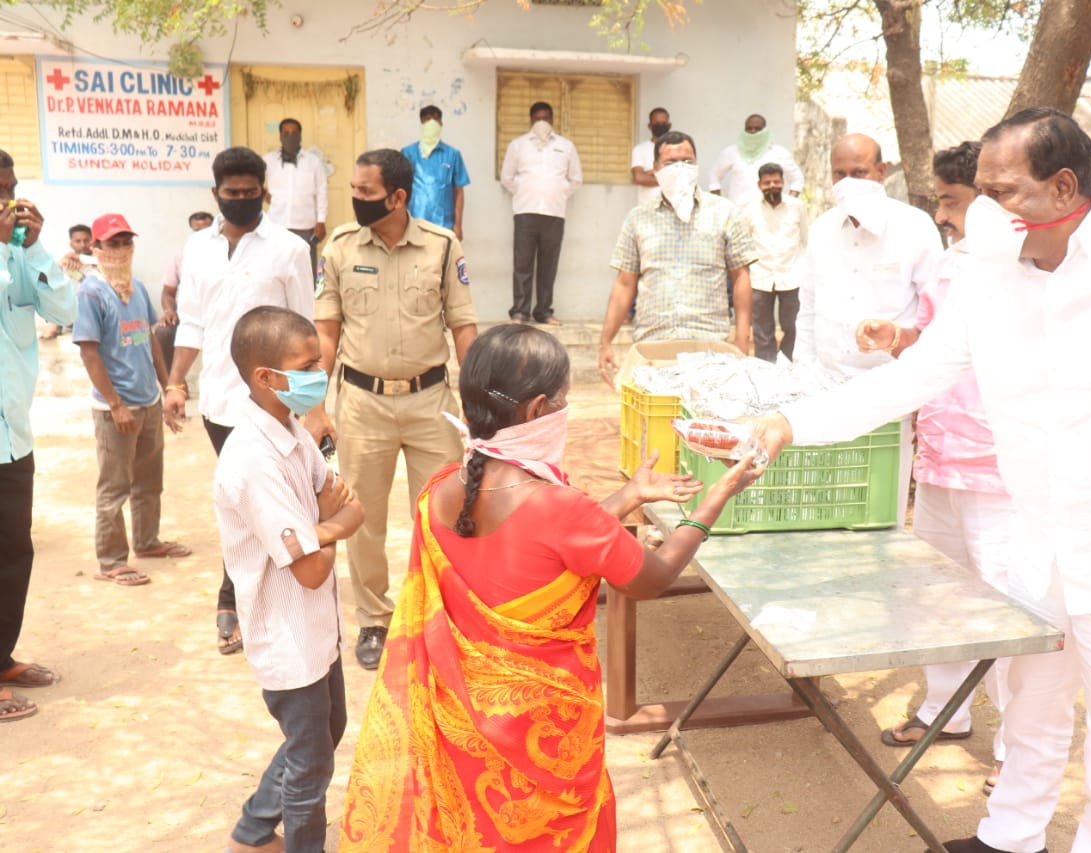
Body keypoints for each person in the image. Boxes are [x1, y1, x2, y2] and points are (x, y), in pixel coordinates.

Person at [751, 108, 1091, 853]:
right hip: (1038, 537)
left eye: (1002, 192)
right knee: (1029, 704)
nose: (984, 210)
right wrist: (791, 424)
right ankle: (1010, 838)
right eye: (981, 191)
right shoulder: (986, 276)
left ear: (1063, 186)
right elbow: (918, 375)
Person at [338, 323, 761, 851]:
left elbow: (541, 552)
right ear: (538, 410)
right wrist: (713, 501)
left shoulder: (440, 491)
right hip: (546, 742)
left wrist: (627, 496)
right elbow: (650, 579)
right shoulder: (561, 509)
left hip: (466, 735)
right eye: (563, 401)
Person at [856, 142, 1013, 797]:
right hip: (942, 455)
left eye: (951, 200)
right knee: (935, 593)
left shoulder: (1021, 265)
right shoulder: (952, 263)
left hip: (1000, 470)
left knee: (1010, 611)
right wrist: (896, 339)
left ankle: (1017, 748)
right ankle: (943, 708)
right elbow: (933, 340)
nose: (942, 213)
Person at [315, 148, 478, 671]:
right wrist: (314, 406)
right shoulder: (338, 248)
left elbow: (463, 327)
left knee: (444, 516)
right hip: (361, 403)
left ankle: (438, 614)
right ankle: (374, 619)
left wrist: (477, 404)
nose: (356, 199)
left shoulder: (442, 247)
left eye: (365, 191)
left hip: (431, 401)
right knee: (362, 517)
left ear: (398, 196)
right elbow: (326, 331)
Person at [215, 305, 364, 853]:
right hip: (285, 634)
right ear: (265, 377)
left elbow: (355, 508)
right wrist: (330, 526)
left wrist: (321, 526)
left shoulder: (293, 431)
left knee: (326, 731)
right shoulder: (253, 459)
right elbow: (312, 569)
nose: (317, 376)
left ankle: (253, 831)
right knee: (310, 763)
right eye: (306, 366)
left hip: (317, 628)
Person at [164, 147, 318, 657]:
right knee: (243, 505)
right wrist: (176, 382)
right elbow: (191, 322)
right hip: (220, 408)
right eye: (233, 194)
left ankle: (235, 601)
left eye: (252, 193)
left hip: (275, 404)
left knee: (272, 503)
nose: (243, 200)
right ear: (216, 194)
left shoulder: (290, 249)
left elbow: (305, 330)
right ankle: (243, 599)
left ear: (264, 193)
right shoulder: (197, 248)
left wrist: (312, 405)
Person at [72, 213, 191, 589]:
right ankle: (111, 560)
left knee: (149, 480)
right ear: (96, 248)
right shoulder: (91, 293)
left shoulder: (137, 288)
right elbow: (89, 353)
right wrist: (116, 404)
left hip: (148, 401)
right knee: (114, 487)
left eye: (126, 242)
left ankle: (147, 542)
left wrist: (167, 387)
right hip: (115, 409)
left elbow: (151, 338)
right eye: (112, 243)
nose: (121, 249)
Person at [0, 149, 76, 723]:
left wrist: (35, 248)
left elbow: (62, 308)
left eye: (10, 189)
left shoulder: (19, 253)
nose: (8, 201)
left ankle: (1, 658)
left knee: (12, 552)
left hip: (13, 435)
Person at [597, 131, 756, 385]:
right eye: (671, 163)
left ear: (697, 165)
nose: (680, 169)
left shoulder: (725, 213)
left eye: (687, 161)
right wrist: (605, 341)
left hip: (709, 347)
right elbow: (624, 284)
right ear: (655, 169)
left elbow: (741, 278)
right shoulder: (638, 218)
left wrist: (741, 340)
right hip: (653, 347)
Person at [793, 132, 941, 381]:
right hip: (826, 382)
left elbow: (937, 311)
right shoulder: (821, 229)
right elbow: (808, 307)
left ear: (881, 172)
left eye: (859, 173)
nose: (848, 183)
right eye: (840, 174)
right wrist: (803, 370)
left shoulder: (915, 226)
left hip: (892, 384)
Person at [500, 101, 582, 325]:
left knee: (548, 265)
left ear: (552, 120)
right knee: (523, 264)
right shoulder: (518, 145)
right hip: (526, 211)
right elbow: (507, 177)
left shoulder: (565, 146)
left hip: (554, 213)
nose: (541, 122)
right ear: (531, 120)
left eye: (545, 118)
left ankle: (544, 311)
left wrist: (558, 191)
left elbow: (575, 179)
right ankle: (520, 312)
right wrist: (526, 189)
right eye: (537, 118)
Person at [744, 162, 807, 362]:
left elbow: (806, 241)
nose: (772, 186)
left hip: (792, 277)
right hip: (760, 277)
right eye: (767, 182)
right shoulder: (750, 210)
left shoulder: (797, 207)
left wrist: (804, 270)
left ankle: (788, 365)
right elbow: (745, 245)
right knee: (762, 329)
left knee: (794, 325)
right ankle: (765, 367)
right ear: (759, 185)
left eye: (776, 181)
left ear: (783, 183)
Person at [264, 118, 328, 273]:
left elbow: (322, 190)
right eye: (286, 133)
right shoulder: (268, 160)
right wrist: (264, 195)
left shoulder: (313, 162)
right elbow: (254, 181)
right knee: (276, 269)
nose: (290, 136)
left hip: (305, 226)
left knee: (305, 270)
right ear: (280, 135)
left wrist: (321, 221)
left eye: (294, 133)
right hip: (276, 224)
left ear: (300, 135)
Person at [155, 210, 214, 373]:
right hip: (188, 314)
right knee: (164, 332)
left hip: (217, 313)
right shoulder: (180, 255)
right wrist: (169, 311)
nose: (201, 234)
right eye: (196, 230)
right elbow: (168, 292)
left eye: (206, 229)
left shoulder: (225, 252)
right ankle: (175, 383)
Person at [401, 104, 470, 241]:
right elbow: (400, 189)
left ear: (441, 123)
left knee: (441, 260)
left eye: (435, 119)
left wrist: (458, 225)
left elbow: (459, 191)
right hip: (415, 222)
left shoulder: (452, 155)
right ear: (421, 123)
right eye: (427, 119)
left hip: (443, 224)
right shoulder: (408, 153)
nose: (431, 123)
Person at [709, 113, 804, 207]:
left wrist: (789, 204)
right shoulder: (731, 152)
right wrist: (719, 204)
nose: (753, 131)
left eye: (758, 129)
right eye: (749, 128)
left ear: (765, 130)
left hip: (770, 213)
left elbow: (797, 179)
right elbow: (714, 175)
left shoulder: (779, 152)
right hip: (739, 212)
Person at [41, 224, 92, 339]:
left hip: (90, 311)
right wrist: (62, 262)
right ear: (71, 243)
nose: (83, 245)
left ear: (92, 241)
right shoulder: (66, 262)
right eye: (78, 241)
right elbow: (43, 278)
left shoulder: (99, 262)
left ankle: (54, 326)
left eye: (86, 240)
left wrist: (81, 259)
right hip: (72, 312)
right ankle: (54, 326)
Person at [630, 106, 671, 206]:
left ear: (669, 125)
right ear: (649, 125)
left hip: (672, 208)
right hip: (647, 208)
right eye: (656, 124)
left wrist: (651, 173)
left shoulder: (676, 148)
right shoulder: (640, 149)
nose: (660, 126)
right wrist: (667, 178)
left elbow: (681, 177)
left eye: (663, 123)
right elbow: (639, 178)